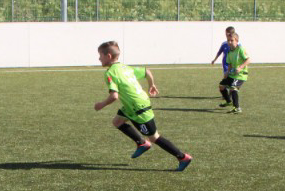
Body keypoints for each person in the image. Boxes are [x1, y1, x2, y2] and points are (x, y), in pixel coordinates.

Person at [94, 40, 192, 171]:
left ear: (109, 56)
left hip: (138, 108)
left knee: (154, 137)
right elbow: (147, 71)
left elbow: (114, 96)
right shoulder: (125, 67)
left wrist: (101, 105)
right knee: (117, 122)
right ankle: (141, 143)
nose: (99, 58)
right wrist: (151, 85)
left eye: (100, 55)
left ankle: (182, 157)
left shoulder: (110, 73)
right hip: (133, 105)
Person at [216, 31, 250, 114]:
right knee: (221, 86)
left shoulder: (240, 49)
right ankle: (228, 101)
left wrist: (240, 67)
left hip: (241, 74)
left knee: (233, 88)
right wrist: (227, 72)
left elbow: (248, 60)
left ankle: (237, 108)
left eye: (232, 40)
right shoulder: (229, 51)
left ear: (237, 41)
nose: (230, 42)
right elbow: (230, 64)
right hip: (232, 74)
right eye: (228, 40)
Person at [210, 25, 237, 108]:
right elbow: (219, 52)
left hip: (232, 65)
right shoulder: (224, 44)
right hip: (225, 65)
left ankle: (229, 98)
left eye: (227, 33)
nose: (226, 35)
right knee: (225, 80)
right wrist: (214, 60)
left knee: (228, 80)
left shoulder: (236, 44)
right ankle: (227, 96)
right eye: (226, 33)